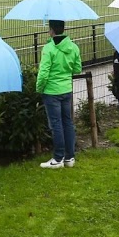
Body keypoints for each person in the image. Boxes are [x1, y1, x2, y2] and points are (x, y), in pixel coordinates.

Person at [36, 19, 81, 169]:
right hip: (66, 89)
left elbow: (43, 73)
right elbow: (77, 69)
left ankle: (58, 158)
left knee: (56, 125)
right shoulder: (73, 47)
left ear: (51, 30)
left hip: (51, 91)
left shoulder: (49, 48)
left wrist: (39, 88)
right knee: (67, 122)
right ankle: (70, 157)